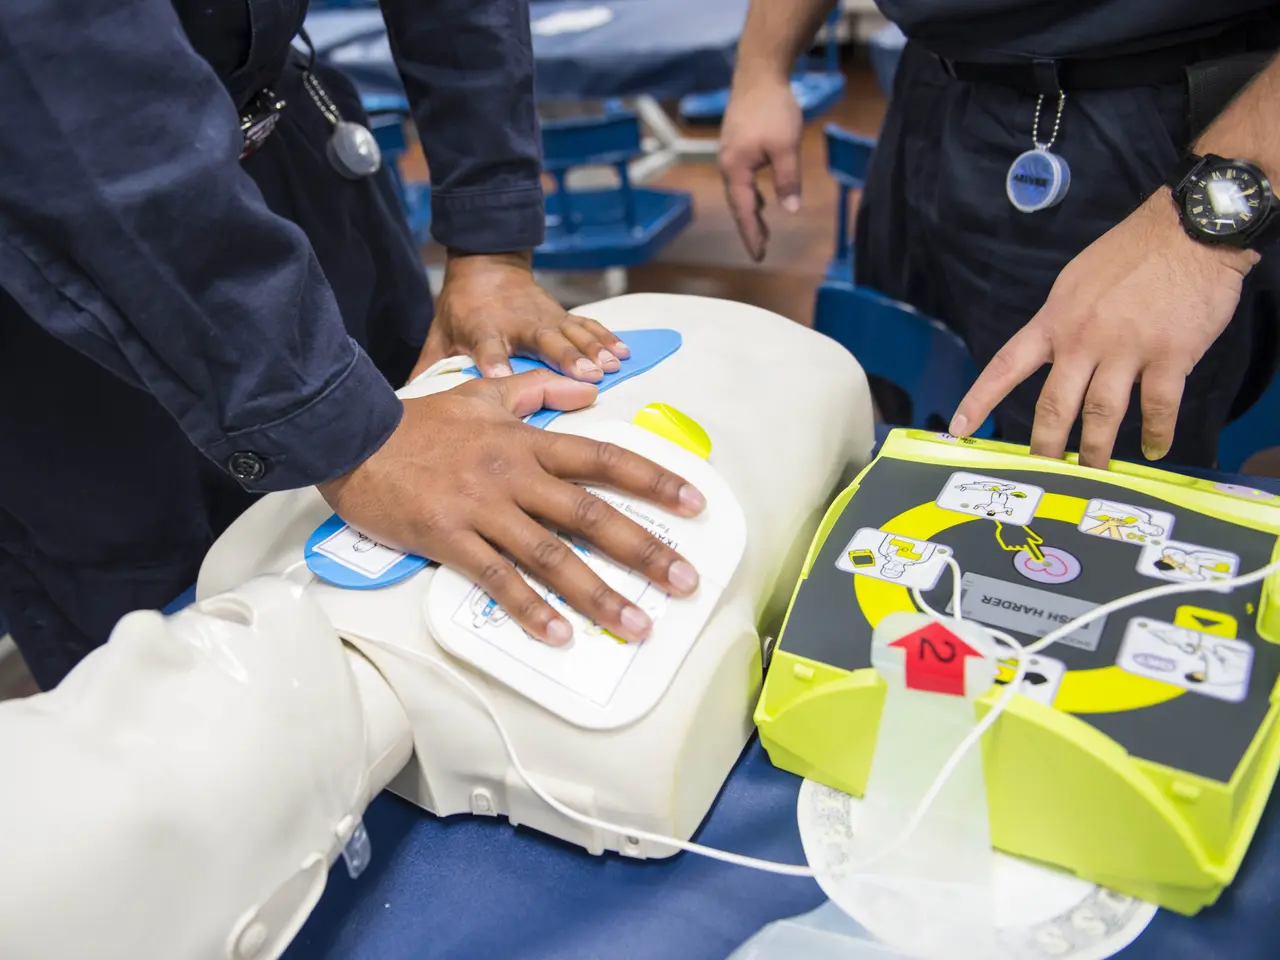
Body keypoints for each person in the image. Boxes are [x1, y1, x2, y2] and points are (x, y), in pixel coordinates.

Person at [0, 0, 701, 691]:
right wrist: (340, 427)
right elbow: (60, 79)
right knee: (173, 658)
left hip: (285, 148)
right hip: (58, 278)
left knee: (426, 553)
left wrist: (491, 240)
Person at [719, 1, 1280, 470]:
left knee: (1088, 484)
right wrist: (761, 68)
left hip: (1151, 119)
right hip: (931, 87)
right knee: (915, 409)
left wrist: (1201, 217)